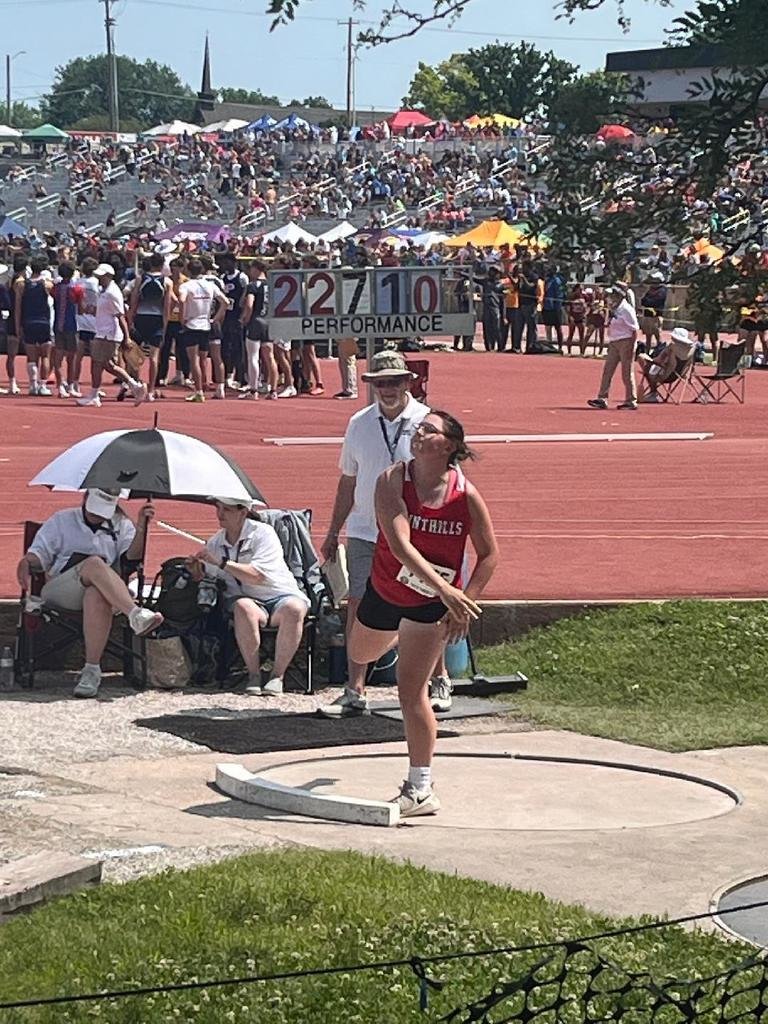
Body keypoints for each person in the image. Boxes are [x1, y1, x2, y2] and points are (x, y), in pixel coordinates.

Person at [347, 410, 498, 817]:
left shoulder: (465, 495)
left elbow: (489, 555)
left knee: (411, 692)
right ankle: (398, 636)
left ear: (447, 446)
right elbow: (399, 546)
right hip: (386, 590)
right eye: (419, 427)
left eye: (428, 429)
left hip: (430, 605)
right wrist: (448, 590)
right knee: (361, 654)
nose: (418, 433)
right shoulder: (393, 479)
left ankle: (420, 787)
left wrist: (465, 600)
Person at [318, 350, 435, 718]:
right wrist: (333, 529)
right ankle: (354, 688)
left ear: (407, 383)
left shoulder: (427, 423)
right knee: (358, 603)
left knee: (423, 603)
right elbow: (348, 480)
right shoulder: (359, 423)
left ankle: (434, 681)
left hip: (415, 532)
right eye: (380, 383)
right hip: (366, 529)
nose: (387, 389)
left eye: (394, 382)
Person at [16, 489, 163, 698]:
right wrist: (27, 561)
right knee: (95, 562)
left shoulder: (121, 524)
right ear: (85, 499)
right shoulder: (62, 520)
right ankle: (135, 614)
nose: (97, 515)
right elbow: (39, 554)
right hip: (61, 590)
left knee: (96, 593)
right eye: (94, 510)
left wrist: (141, 526)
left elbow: (130, 561)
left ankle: (91, 670)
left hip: (105, 593)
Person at [186, 498, 309, 695]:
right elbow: (208, 576)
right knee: (242, 607)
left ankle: (278, 676)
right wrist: (196, 570)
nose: (220, 514)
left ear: (243, 512)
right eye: (218, 508)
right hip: (249, 600)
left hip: (280, 595)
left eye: (227, 509)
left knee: (294, 609)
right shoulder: (216, 542)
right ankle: (253, 675)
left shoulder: (263, 534)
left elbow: (258, 576)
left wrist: (222, 562)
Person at [75, 264, 147, 408]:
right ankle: (134, 385)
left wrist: (126, 337)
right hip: (103, 332)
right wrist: (91, 310)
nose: (99, 278)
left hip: (108, 334)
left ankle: (96, 395)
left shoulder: (112, 293)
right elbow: (105, 311)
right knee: (108, 365)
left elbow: (120, 316)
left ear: (109, 276)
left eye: (101, 276)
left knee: (100, 364)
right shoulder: (105, 291)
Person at [178, 257, 229, 403]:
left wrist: (182, 319)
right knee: (203, 358)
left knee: (194, 360)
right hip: (206, 325)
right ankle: (212, 387)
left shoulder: (186, 286)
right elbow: (225, 302)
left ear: (188, 270)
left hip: (192, 325)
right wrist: (215, 318)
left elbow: (181, 300)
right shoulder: (210, 285)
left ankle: (199, 390)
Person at [587, 286, 640, 410]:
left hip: (626, 341)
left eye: (613, 295)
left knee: (626, 373)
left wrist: (631, 347)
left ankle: (631, 400)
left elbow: (634, 329)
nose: (610, 297)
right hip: (614, 341)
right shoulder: (612, 308)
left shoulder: (626, 309)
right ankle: (602, 398)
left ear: (619, 296)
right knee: (608, 370)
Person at [127, 252, 170, 400]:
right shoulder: (167, 282)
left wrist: (129, 320)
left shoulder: (140, 279)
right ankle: (151, 390)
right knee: (154, 357)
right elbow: (167, 307)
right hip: (156, 319)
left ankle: (136, 384)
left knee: (134, 354)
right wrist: (164, 326)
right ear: (163, 265)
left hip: (141, 317)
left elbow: (133, 302)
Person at [14, 253, 53, 396]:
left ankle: (33, 385)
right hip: (43, 322)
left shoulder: (22, 284)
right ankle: (42, 385)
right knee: (45, 356)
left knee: (31, 357)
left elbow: (18, 307)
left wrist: (18, 326)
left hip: (28, 321)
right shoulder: (46, 284)